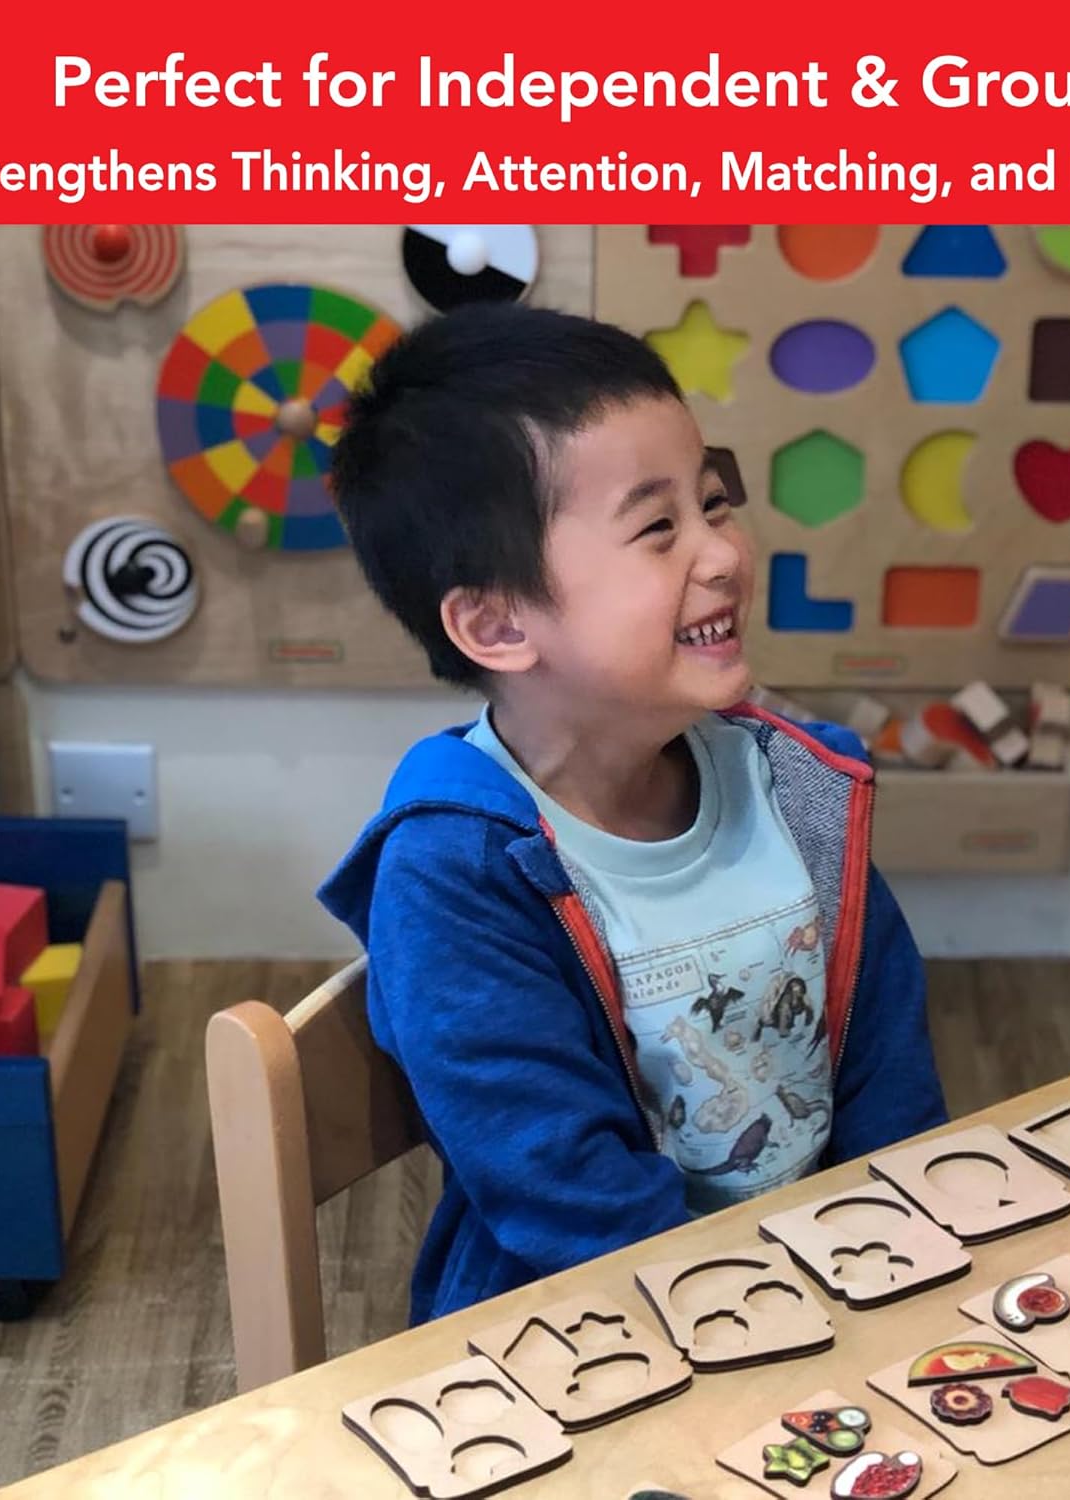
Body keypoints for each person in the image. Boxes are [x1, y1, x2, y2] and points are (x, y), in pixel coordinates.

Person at [317, 302, 947, 1325]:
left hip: (840, 1296)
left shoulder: (798, 783)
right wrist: (783, 1322)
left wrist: (893, 1279)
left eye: (714, 503)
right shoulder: (457, 870)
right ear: (497, 622)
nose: (724, 555)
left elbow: (894, 1094)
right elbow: (567, 1199)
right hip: (587, 1339)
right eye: (659, 528)